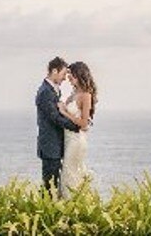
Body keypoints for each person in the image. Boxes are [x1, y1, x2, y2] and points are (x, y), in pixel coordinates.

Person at [35, 56, 81, 193]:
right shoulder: (45, 92)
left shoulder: (53, 90)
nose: (65, 78)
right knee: (50, 186)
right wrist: (75, 126)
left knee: (54, 185)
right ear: (54, 71)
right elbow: (54, 117)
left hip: (56, 146)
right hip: (50, 147)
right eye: (63, 74)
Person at [56, 60, 97, 198]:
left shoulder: (86, 95)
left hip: (76, 141)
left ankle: (71, 208)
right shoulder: (73, 94)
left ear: (79, 75)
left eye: (71, 76)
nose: (68, 79)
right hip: (68, 139)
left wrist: (64, 112)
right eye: (68, 76)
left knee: (69, 174)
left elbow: (84, 123)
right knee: (68, 173)